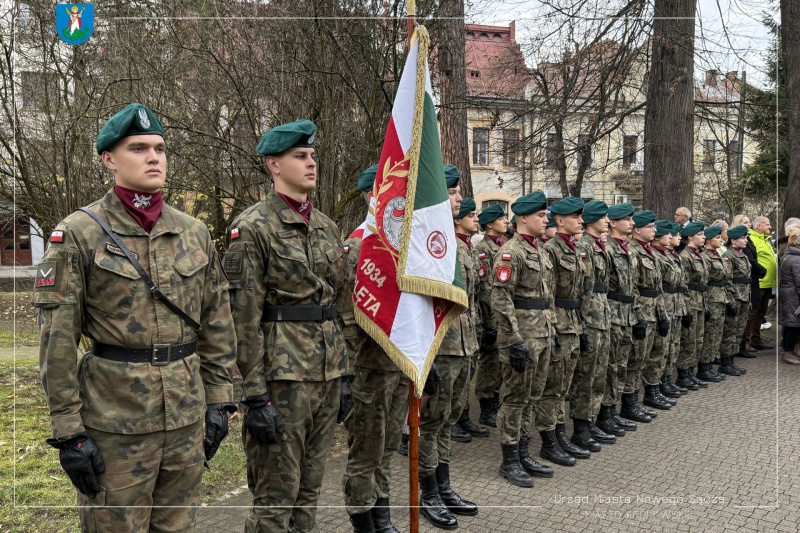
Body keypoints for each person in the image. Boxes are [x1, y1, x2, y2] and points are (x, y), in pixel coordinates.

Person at [33, 103, 238, 532]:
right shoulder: (78, 234)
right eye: (139, 148)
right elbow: (57, 339)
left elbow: (217, 320)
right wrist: (68, 430)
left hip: (185, 418)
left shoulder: (193, 232)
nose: (153, 157)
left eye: (160, 149)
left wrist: (220, 399)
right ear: (109, 159)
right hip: (115, 422)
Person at [226, 119, 351, 533]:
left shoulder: (326, 226)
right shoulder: (252, 228)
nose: (311, 163)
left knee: (310, 490)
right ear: (273, 164)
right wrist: (255, 396)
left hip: (328, 374)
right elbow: (243, 318)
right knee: (275, 497)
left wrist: (345, 374)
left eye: (313, 155)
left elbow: (341, 304)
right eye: (301, 156)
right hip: (283, 380)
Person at [341, 165, 408, 533]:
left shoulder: (400, 248)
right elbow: (347, 319)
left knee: (387, 448)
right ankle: (362, 520)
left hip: (396, 365)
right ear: (374, 197)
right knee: (366, 452)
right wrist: (347, 376)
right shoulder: (357, 247)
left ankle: (383, 516)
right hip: (368, 369)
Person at [417, 165, 478, 530]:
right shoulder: (428, 243)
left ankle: (444, 485)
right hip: (442, 348)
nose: (459, 199)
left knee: (448, 421)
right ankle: (429, 493)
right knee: (433, 423)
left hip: (464, 344)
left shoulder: (457, 243)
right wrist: (429, 354)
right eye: (453, 192)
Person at [491, 192, 556, 487]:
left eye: (546, 215)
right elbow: (501, 299)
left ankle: (524, 451)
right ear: (524, 218)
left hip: (542, 334)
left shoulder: (540, 251)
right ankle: (509, 460)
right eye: (541, 216)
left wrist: (551, 329)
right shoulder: (510, 252)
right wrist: (513, 339)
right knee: (515, 400)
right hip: (522, 338)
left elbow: (548, 298)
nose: (546, 220)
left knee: (533, 397)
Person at [541, 196, 594, 460]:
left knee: (564, 385)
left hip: (572, 321)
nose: (581, 221)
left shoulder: (574, 248)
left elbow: (583, 291)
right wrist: (551, 329)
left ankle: (560, 434)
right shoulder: (550, 249)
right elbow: (547, 294)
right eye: (576, 217)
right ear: (560, 220)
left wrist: (582, 325)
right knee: (553, 386)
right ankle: (551, 439)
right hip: (558, 323)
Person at [574, 201, 618, 447]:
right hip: (590, 317)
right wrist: (582, 323)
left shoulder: (598, 246)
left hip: (602, 314)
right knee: (587, 375)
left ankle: (592, 421)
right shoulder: (584, 247)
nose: (607, 222)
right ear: (592, 220)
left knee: (599, 373)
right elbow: (583, 288)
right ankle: (581, 427)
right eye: (603, 218)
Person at [595, 203, 641, 432]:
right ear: (613, 223)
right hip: (612, 313)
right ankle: (604, 414)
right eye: (628, 219)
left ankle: (613, 410)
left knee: (621, 365)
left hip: (626, 314)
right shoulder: (608, 249)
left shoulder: (627, 248)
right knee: (610, 366)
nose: (632, 223)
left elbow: (633, 286)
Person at [626, 211, 673, 414]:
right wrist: (638, 316)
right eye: (650, 227)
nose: (655, 230)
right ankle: (630, 402)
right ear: (638, 230)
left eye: (655, 227)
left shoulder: (650, 251)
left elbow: (658, 288)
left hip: (654, 308)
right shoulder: (633, 251)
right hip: (642, 310)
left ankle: (651, 391)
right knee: (636, 359)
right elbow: (632, 287)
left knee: (654, 353)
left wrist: (662, 314)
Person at [451, 198, 489, 442]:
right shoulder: (452, 247)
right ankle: (452, 420)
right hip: (456, 327)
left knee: (467, 374)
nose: (477, 219)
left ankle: (461, 417)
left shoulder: (468, 248)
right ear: (457, 220)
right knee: (452, 380)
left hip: (471, 323)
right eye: (471, 215)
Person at [474, 204, 508, 427]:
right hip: (489, 316)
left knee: (499, 362)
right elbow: (485, 289)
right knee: (489, 362)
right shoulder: (484, 250)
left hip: (502, 315)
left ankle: (494, 400)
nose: (505, 221)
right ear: (489, 224)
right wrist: (488, 322)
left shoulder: (504, 246)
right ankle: (486, 406)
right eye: (501, 219)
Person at [676, 222, 710, 391]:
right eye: (700, 234)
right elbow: (684, 285)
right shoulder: (685, 256)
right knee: (688, 340)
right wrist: (686, 308)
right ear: (690, 237)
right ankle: (683, 374)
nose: (704, 237)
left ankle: (690, 372)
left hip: (700, 301)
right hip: (690, 301)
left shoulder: (698, 254)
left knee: (697, 338)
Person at [698, 225, 729, 383]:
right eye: (717, 238)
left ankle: (709, 364)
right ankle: (704, 367)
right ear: (709, 240)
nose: (721, 240)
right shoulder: (705, 256)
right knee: (709, 334)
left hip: (720, 297)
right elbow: (704, 281)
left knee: (716, 333)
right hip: (711, 298)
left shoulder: (717, 255)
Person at [719, 225, 752, 375]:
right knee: (730, 331)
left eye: (746, 237)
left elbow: (746, 279)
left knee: (739, 330)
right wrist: (730, 300)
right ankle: (725, 362)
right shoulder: (729, 256)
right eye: (743, 238)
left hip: (744, 296)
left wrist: (749, 299)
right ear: (733, 240)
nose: (746, 240)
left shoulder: (742, 255)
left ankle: (732, 360)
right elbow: (727, 280)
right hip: (735, 297)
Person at [744, 217, 777, 350]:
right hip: (759, 282)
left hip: (768, 282)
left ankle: (756, 340)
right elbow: (752, 260)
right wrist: (761, 272)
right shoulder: (753, 239)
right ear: (758, 226)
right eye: (767, 225)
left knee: (762, 312)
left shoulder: (765, 239)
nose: (770, 227)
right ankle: (746, 341)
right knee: (754, 312)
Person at [779, 225, 800, 365]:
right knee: (794, 324)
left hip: (788, 293)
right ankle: (788, 352)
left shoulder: (788, 255)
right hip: (794, 295)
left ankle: (789, 350)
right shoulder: (797, 259)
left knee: (790, 323)